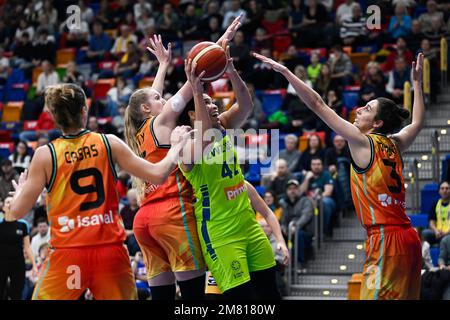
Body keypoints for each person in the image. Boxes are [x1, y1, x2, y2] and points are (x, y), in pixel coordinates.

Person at [253, 51, 425, 300]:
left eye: (366, 109)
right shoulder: (396, 143)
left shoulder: (363, 142)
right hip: (408, 239)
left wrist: (286, 73)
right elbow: (417, 123)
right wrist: (418, 84)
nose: (358, 110)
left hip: (386, 241)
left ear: (376, 124)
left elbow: (318, 104)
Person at [7, 83, 193, 300]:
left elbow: (17, 213)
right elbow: (159, 174)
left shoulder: (44, 155)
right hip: (110, 253)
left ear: (54, 117)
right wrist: (175, 147)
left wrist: (20, 192)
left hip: (68, 254)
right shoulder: (108, 142)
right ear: (84, 110)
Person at [123, 18, 243, 300]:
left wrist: (163, 65)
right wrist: (217, 47)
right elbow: (187, 89)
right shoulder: (162, 120)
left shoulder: (140, 131)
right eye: (157, 98)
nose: (163, 98)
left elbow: (153, 98)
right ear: (146, 108)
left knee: (162, 298)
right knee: (193, 298)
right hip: (172, 211)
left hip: (145, 221)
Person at [178, 59, 288, 300]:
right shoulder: (186, 148)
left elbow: (246, 105)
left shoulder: (224, 127)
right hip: (220, 233)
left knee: (271, 293)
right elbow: (204, 136)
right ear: (192, 114)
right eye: (207, 103)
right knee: (243, 300)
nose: (215, 105)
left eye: (213, 100)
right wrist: (196, 90)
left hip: (248, 225)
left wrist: (230, 71)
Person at [0, 197, 37, 300]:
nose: (10, 204)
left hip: (18, 264)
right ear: (3, 207)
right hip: (1, 263)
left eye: (13, 202)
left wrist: (34, 265)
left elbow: (27, 247)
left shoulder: (23, 225)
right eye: (8, 202)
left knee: (16, 294)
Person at [279, 179, 314, 272]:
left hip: (304, 230)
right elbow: (282, 220)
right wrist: (284, 228)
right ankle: (281, 265)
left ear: (298, 190)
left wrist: (296, 226)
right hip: (288, 231)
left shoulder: (305, 200)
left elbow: (306, 216)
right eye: (290, 188)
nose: (292, 190)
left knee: (299, 235)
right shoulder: (283, 203)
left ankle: (301, 263)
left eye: (295, 188)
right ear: (286, 191)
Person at [299, 156, 336, 236]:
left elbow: (328, 192)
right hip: (308, 200)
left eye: (318, 164)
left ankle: (324, 230)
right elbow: (301, 192)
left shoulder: (326, 175)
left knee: (325, 202)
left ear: (322, 165)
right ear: (310, 166)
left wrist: (316, 199)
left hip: (322, 199)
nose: (316, 166)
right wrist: (307, 179)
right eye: (314, 164)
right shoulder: (307, 175)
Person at [422, 181, 450, 245]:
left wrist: (446, 233)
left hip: (448, 234)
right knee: (425, 233)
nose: (444, 191)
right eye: (442, 188)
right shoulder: (435, 204)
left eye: (447, 188)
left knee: (445, 239)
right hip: (437, 233)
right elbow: (431, 222)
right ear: (439, 191)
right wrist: (436, 231)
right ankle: (424, 253)